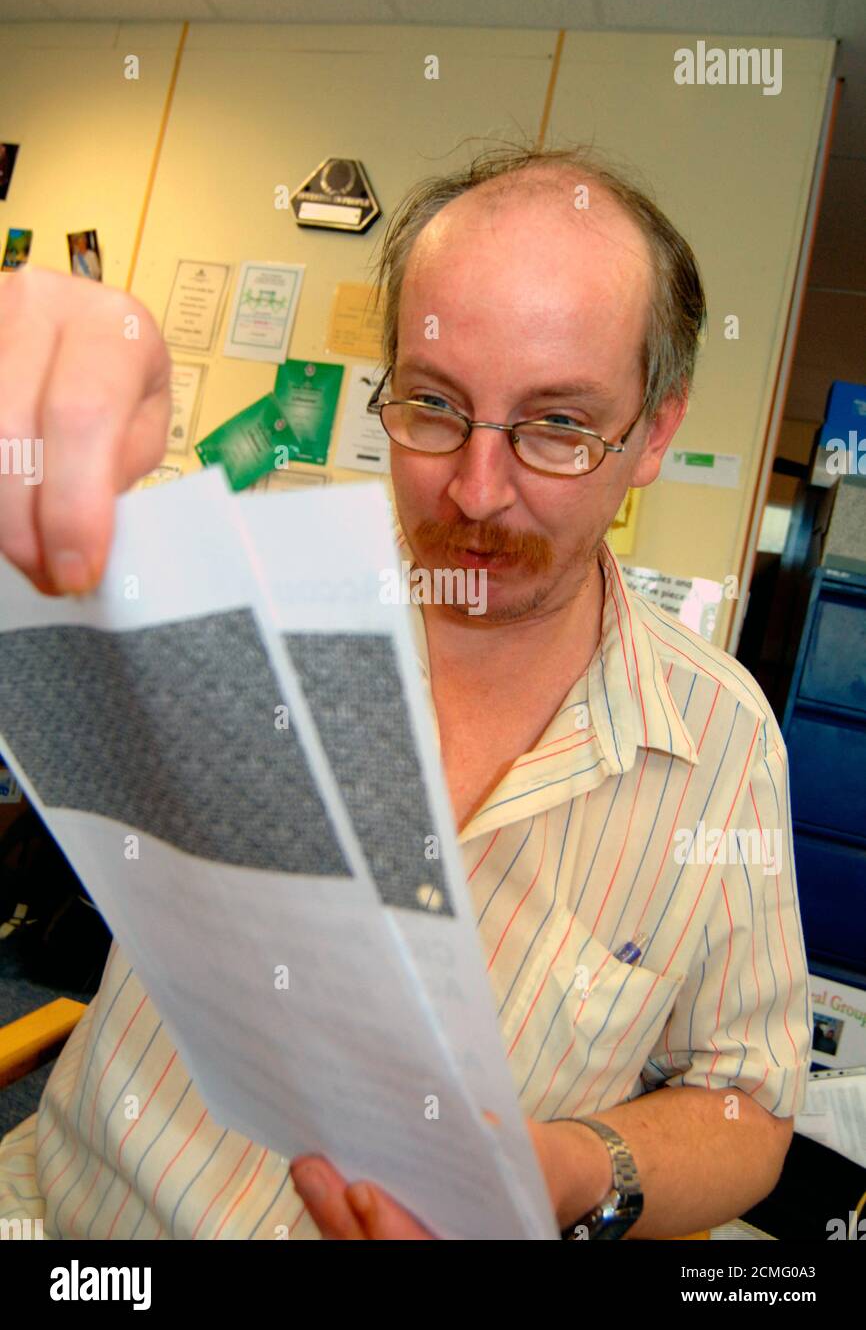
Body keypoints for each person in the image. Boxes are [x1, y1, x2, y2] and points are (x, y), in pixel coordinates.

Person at [0, 143, 811, 1240]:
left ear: (655, 429)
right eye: (433, 404)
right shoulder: (240, 592)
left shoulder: (721, 743)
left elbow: (746, 1103)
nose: (476, 492)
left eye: (557, 425)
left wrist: (576, 1169)